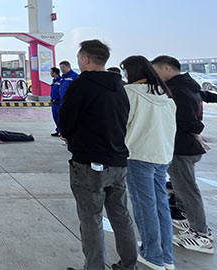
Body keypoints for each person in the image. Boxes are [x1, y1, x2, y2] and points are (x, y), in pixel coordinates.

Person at [60, 40, 137, 270]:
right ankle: (129, 265)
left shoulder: (81, 85)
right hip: (118, 161)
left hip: (89, 164)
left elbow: (66, 120)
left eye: (79, 57)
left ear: (85, 59)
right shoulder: (119, 86)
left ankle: (94, 267)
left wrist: (70, 137)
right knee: (121, 216)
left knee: (91, 219)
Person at [152, 55, 213, 254]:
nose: (155, 75)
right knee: (185, 189)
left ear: (167, 68)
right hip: (186, 146)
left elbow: (187, 120)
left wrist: (196, 134)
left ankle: (201, 234)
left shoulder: (177, 90)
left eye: (156, 70)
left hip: (181, 148)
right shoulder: (189, 85)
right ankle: (195, 224)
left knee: (187, 190)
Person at [121, 55, 176, 269]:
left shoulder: (130, 93)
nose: (124, 74)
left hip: (138, 154)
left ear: (132, 71)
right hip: (162, 155)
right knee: (161, 204)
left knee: (144, 206)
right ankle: (166, 256)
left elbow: (123, 123)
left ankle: (152, 255)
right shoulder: (165, 94)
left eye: (126, 70)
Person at [50, 67, 61, 136]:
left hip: (58, 102)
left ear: (54, 73)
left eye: (51, 72)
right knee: (55, 117)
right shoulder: (54, 81)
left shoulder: (60, 80)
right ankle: (58, 130)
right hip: (53, 102)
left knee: (60, 117)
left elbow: (61, 91)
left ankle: (61, 131)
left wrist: (57, 99)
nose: (50, 73)